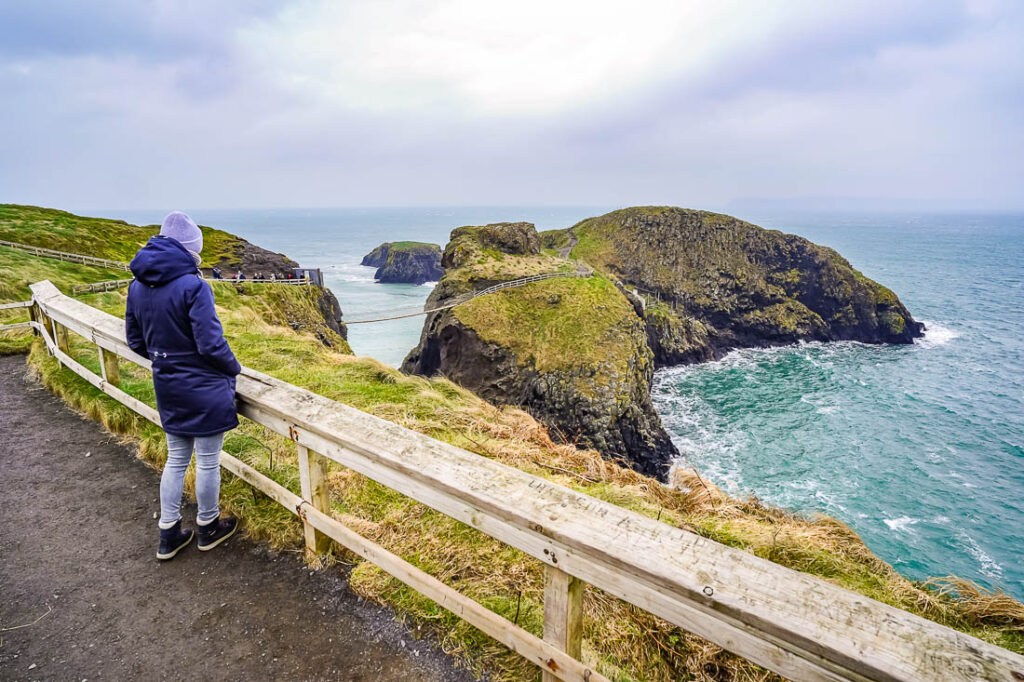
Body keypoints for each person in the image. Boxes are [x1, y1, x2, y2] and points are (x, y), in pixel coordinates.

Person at [125, 211, 241, 561]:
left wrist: (167, 359)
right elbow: (210, 344)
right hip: (204, 386)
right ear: (191, 250)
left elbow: (135, 340)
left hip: (168, 384)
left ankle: (169, 534)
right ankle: (208, 527)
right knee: (207, 460)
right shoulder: (194, 286)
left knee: (176, 459)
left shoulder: (137, 285)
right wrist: (234, 368)